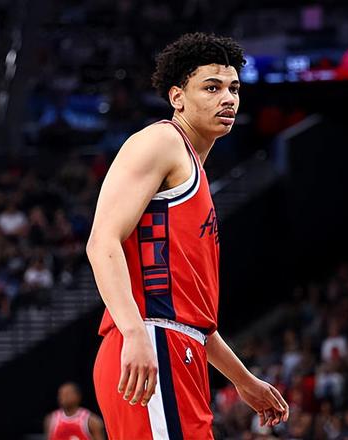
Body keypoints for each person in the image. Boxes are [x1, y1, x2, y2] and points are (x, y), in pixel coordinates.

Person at [87, 33, 289, 440]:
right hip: (151, 341)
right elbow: (102, 241)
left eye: (234, 88)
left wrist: (243, 380)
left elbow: (195, 316)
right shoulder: (162, 141)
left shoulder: (192, 170)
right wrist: (134, 332)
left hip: (177, 346)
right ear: (177, 97)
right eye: (211, 88)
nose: (228, 98)